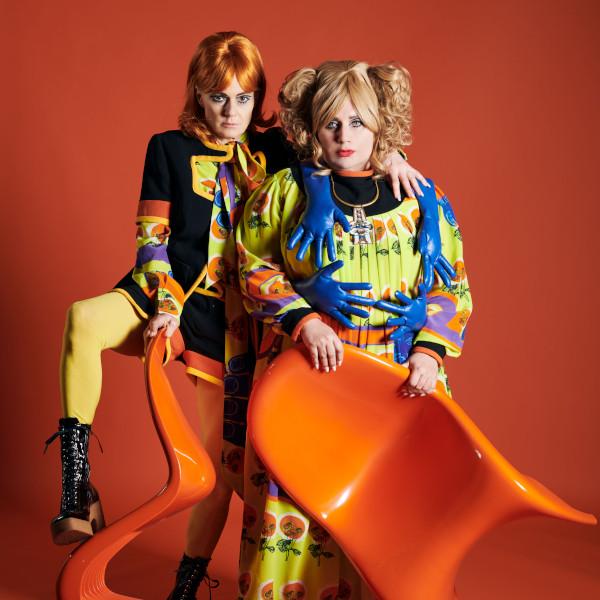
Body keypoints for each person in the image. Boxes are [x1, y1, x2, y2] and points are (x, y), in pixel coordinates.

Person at [42, 32, 433, 599]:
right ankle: (77, 488)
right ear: (197, 95)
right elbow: (152, 238)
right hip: (169, 294)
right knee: (82, 319)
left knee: (216, 470)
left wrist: (392, 156)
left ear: (258, 98)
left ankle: (185, 586)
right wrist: (164, 305)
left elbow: (342, 141)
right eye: (218, 97)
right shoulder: (167, 148)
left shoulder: (277, 150)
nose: (231, 111)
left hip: (233, 325)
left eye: (244, 98)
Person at [235, 60, 473, 598]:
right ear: (312, 128)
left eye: (359, 123)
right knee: (298, 503)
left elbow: (452, 285)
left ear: (380, 125)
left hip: (397, 380)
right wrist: (303, 319)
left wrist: (430, 352)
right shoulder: (283, 192)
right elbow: (251, 265)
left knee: (389, 506)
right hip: (310, 379)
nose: (345, 137)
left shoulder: (421, 197)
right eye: (332, 124)